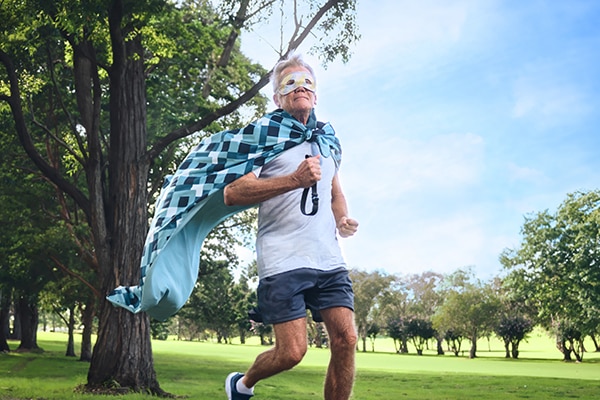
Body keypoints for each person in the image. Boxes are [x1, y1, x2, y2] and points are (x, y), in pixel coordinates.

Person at [223, 53, 359, 400]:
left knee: (346, 340)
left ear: (316, 94)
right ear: (277, 97)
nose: (300, 88)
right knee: (292, 353)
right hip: (282, 257)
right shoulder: (263, 136)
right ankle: (241, 385)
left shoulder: (328, 141)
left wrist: (342, 220)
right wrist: (294, 179)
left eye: (307, 82)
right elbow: (234, 192)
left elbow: (335, 193)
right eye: (290, 83)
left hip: (328, 257)